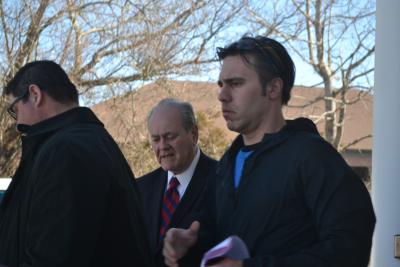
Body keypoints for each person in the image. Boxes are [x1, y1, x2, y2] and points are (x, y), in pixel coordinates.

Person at [163, 36, 376, 267]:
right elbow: (218, 235)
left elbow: (349, 248)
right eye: (221, 84)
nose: (222, 95)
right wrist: (190, 243)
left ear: (273, 88)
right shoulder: (226, 165)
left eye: (235, 83)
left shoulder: (313, 157)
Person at [0, 60, 154, 267]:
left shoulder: (66, 150)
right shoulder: (87, 141)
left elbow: (52, 257)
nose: (17, 123)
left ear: (35, 95)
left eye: (15, 110)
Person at [137, 98, 217, 267]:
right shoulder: (140, 188)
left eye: (170, 136)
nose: (162, 146)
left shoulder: (222, 180)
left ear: (194, 134)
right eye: (156, 139)